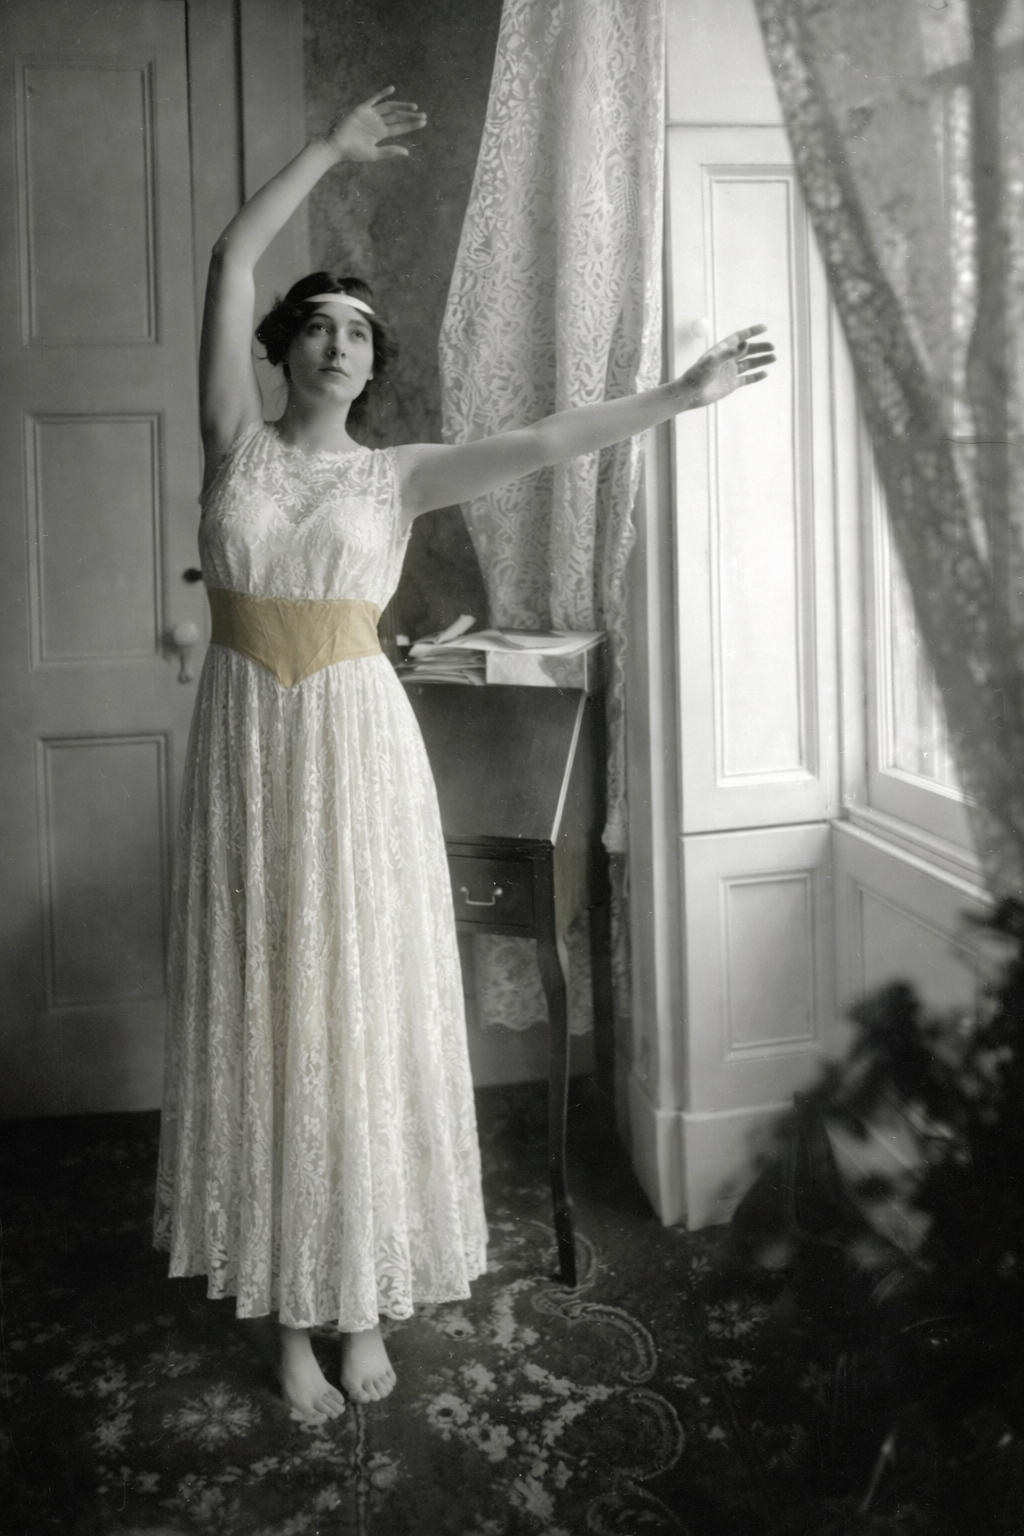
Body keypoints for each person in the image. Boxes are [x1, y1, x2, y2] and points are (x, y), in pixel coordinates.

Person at [153, 87, 775, 1428]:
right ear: (279, 351)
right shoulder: (235, 447)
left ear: (376, 367)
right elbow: (226, 259)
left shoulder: (399, 479)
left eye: (358, 334)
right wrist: (326, 150)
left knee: (354, 1016)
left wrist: (678, 395)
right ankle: (286, 1327)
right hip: (253, 760)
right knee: (272, 1015)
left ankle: (361, 1301)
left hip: (359, 759)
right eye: (314, 326)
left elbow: (549, 441)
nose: (335, 344)